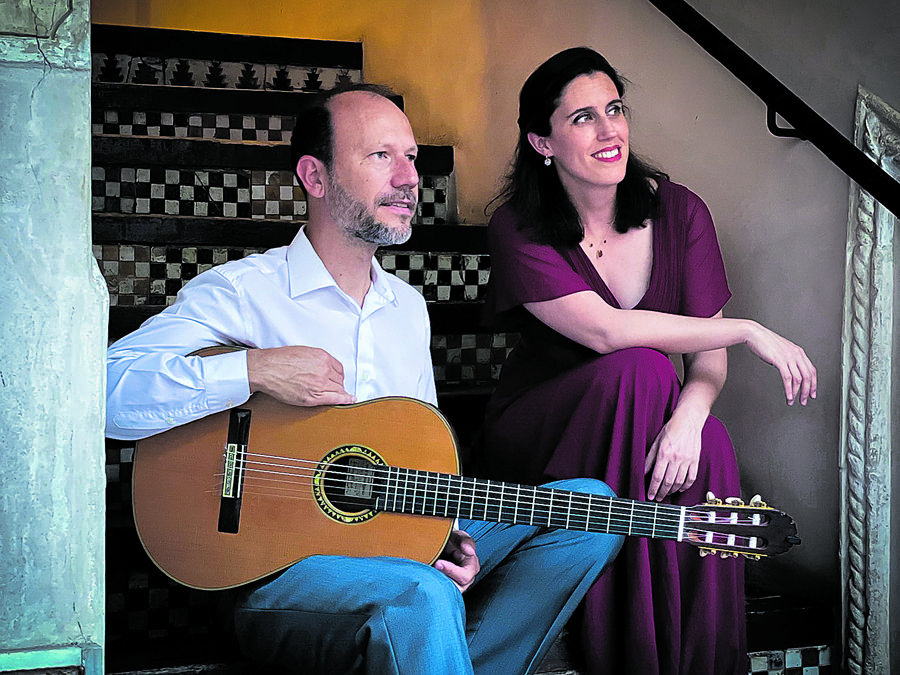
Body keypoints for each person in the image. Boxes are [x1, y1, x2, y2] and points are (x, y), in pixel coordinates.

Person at [106, 83, 623, 675]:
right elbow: (106, 393)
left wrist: (444, 538)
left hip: (391, 549)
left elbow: (421, 463)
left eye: (412, 158)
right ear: (315, 177)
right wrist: (249, 369)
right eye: (382, 157)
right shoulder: (245, 292)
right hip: (271, 574)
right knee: (418, 595)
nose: (410, 178)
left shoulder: (408, 307)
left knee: (590, 509)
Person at [477, 48, 817, 675]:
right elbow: (608, 333)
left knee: (707, 440)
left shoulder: (680, 211)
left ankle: (702, 661)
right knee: (642, 368)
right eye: (583, 118)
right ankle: (632, 648)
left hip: (642, 427)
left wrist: (688, 422)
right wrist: (746, 329)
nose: (610, 131)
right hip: (544, 434)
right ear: (541, 142)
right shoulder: (516, 225)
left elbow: (705, 364)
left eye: (615, 109)